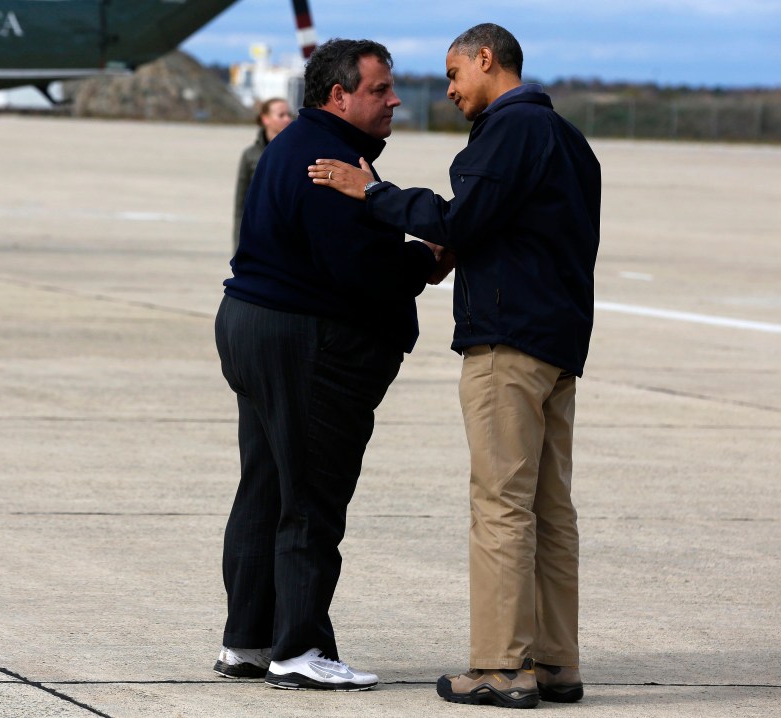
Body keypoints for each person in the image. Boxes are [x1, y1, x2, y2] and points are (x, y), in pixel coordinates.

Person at [308, 22, 600, 709]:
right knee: (550, 511)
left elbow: (461, 221)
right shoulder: (571, 141)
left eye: (453, 73)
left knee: (500, 505)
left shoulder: (510, 130)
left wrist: (372, 193)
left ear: (487, 60)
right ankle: (556, 663)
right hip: (560, 346)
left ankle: (499, 668)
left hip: (508, 344)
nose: (448, 90)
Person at [213, 38, 449, 692]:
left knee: (265, 487)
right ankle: (300, 646)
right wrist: (426, 259)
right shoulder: (330, 162)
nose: (394, 99)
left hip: (251, 324)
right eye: (380, 89)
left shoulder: (292, 146)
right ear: (337, 96)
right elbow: (361, 272)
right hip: (304, 340)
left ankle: (248, 640)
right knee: (312, 494)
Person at [232, 98, 293, 252]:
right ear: (266, 119)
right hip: (259, 238)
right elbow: (241, 206)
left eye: (289, 114)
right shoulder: (250, 155)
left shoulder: (298, 152)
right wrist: (239, 247)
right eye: (281, 115)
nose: (288, 119)